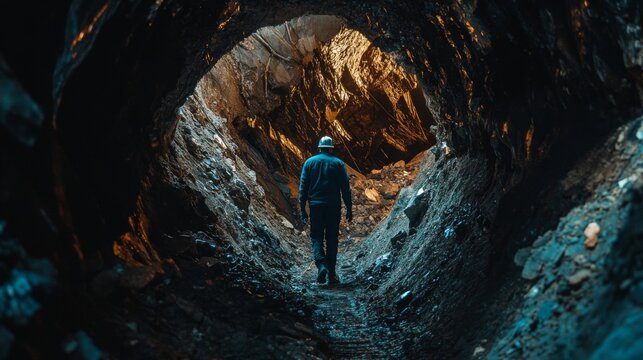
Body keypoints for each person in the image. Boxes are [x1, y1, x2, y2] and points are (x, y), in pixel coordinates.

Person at [299, 136, 352, 285]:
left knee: (316, 237)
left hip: (315, 207)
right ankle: (332, 274)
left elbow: (303, 188)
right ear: (331, 148)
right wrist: (349, 207)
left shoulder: (309, 163)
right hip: (333, 207)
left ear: (319, 148)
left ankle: (321, 265)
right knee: (332, 239)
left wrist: (302, 208)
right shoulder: (338, 164)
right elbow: (345, 189)